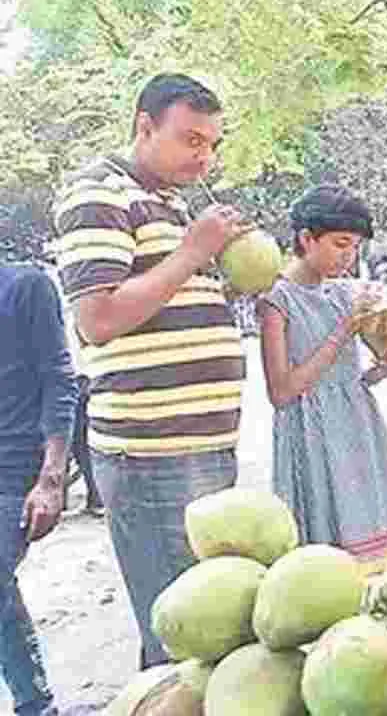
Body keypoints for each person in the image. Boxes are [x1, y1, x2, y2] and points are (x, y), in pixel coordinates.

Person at [52, 73, 248, 668]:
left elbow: (170, 301)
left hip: (204, 444)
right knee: (183, 639)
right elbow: (99, 318)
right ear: (144, 124)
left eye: (212, 143)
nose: (204, 156)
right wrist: (193, 251)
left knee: (210, 633)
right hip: (153, 453)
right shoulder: (97, 194)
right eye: (191, 140)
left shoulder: (170, 201)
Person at [257, 185, 387, 571]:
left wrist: (386, 366)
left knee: (371, 543)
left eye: (355, 247)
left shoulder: (344, 293)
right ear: (306, 238)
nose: (349, 256)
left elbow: (354, 375)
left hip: (357, 426)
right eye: (341, 244)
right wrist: (344, 329)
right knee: (326, 555)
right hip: (310, 435)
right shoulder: (276, 300)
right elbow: (282, 391)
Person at [0, 264, 76, 716]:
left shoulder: (26, 286)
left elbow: (59, 378)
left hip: (13, 471)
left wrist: (52, 478)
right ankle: (34, 700)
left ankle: (35, 703)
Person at [62, 305, 103, 516]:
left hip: (79, 381)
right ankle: (94, 498)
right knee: (79, 444)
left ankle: (94, 498)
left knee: (77, 443)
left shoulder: (73, 316)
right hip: (81, 380)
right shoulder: (71, 314)